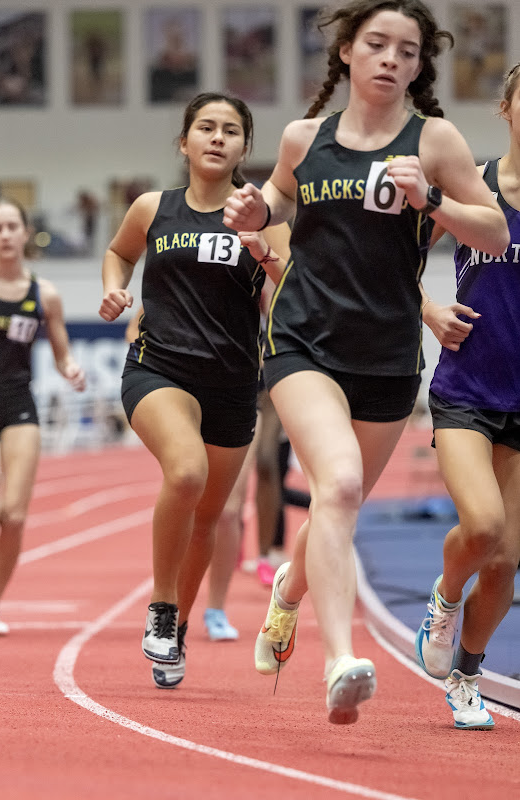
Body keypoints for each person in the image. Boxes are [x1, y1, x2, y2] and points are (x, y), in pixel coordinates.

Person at [223, 0, 509, 725]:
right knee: (340, 484)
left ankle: (290, 589)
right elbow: (280, 206)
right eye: (376, 44)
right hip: (302, 343)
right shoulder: (303, 136)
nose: (390, 59)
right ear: (347, 52)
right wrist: (258, 216)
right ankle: (340, 662)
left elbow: (497, 231)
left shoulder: (434, 140)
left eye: (406, 51)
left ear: (418, 66)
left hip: (385, 355)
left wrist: (434, 198)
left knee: (334, 508)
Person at [99, 92, 289, 687]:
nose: (216, 137)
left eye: (230, 130)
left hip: (233, 383)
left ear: (245, 149)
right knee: (185, 473)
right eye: (204, 127)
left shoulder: (264, 219)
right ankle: (160, 604)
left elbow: (290, 294)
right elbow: (117, 253)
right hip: (159, 370)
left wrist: (267, 254)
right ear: (183, 142)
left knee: (208, 517)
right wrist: (115, 289)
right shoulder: (153, 208)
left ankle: (176, 630)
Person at [415, 62, 520, 730]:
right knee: (481, 528)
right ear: (506, 107)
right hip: (467, 387)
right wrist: (428, 311)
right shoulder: (474, 187)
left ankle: (466, 675)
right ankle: (444, 596)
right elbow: (392, 259)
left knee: (507, 562)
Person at [0, 198, 86, 635]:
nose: (6, 234)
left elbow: (62, 355)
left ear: (26, 233)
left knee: (15, 516)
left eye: (13, 226)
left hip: (17, 405)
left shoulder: (44, 294)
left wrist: (72, 371)